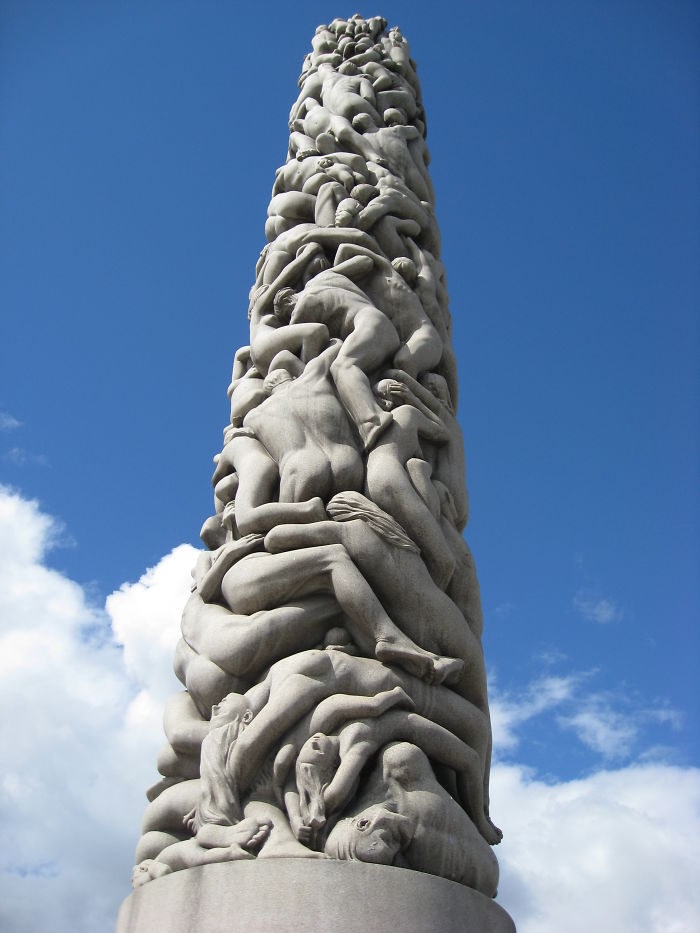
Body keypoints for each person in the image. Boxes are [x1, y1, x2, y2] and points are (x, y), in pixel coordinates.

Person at [325, 742, 500, 896]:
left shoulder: (398, 762)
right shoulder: (421, 840)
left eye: (388, 839)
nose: (397, 846)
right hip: (479, 880)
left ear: (363, 823)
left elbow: (470, 759)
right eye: (394, 853)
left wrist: (481, 817)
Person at [243, 340, 364, 503]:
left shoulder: (253, 416)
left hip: (302, 467)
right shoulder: (312, 375)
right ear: (292, 377)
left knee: (286, 526)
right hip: (347, 459)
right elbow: (337, 346)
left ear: (268, 393)